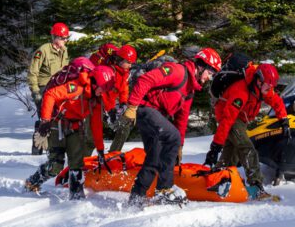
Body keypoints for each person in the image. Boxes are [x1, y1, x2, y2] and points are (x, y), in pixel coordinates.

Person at [121, 47, 222, 207]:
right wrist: (132, 106)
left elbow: (181, 119)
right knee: (172, 136)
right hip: (144, 109)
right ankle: (164, 189)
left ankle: (136, 200)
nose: (209, 77)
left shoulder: (190, 89)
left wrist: (180, 146)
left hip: (154, 116)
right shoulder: (178, 72)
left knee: (154, 159)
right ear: (202, 66)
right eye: (210, 73)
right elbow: (145, 80)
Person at [23, 65, 117, 200]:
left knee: (77, 164)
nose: (104, 92)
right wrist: (45, 121)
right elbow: (51, 94)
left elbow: (96, 124)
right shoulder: (77, 87)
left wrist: (100, 150)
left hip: (76, 127)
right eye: (103, 88)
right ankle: (32, 182)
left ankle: (76, 196)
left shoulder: (95, 99)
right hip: (57, 124)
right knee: (56, 165)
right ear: (95, 82)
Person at [204, 62, 289, 200]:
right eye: (268, 85)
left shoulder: (263, 89)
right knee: (247, 148)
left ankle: (217, 181)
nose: (270, 88)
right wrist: (215, 147)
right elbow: (227, 120)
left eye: (272, 85)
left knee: (231, 155)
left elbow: (276, 101)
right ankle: (256, 186)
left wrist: (284, 120)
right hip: (230, 117)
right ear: (259, 81)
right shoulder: (241, 92)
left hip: (241, 119)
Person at [27, 22, 70, 154]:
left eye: (66, 38)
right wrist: (35, 92)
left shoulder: (64, 51)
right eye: (63, 38)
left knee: (57, 117)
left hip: (58, 89)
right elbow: (32, 72)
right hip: (44, 87)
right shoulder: (43, 50)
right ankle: (37, 148)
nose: (65, 40)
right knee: (45, 118)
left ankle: (53, 147)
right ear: (55, 37)